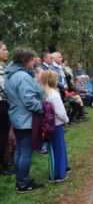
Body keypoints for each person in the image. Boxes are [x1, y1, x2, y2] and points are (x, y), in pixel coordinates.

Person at [5, 47, 44, 192]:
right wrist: (43, 108)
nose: (34, 61)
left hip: (16, 117)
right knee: (25, 152)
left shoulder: (11, 74)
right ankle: (23, 184)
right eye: (32, 59)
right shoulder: (22, 76)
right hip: (25, 119)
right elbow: (29, 100)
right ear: (25, 60)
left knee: (20, 150)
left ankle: (21, 179)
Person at [41, 70, 70, 182]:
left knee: (53, 148)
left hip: (48, 124)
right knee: (59, 149)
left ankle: (60, 169)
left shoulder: (43, 92)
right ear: (52, 80)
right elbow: (60, 111)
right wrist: (66, 119)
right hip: (56, 124)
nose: (58, 81)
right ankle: (58, 174)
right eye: (56, 78)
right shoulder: (54, 94)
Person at [0, 41, 12, 175]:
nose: (7, 52)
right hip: (2, 105)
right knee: (2, 136)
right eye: (4, 49)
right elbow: (5, 89)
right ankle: (3, 167)